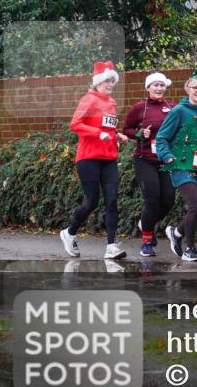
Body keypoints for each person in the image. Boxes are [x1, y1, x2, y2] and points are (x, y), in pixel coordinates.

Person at [60, 61, 129, 260]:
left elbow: (108, 128)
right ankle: (69, 232)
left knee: (112, 200)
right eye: (106, 80)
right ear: (98, 82)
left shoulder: (112, 103)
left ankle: (111, 246)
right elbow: (75, 125)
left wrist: (117, 135)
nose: (110, 84)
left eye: (112, 81)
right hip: (88, 158)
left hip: (108, 158)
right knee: (92, 202)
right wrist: (98, 134)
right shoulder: (89, 99)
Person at [157, 67, 197, 262]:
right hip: (181, 163)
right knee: (195, 205)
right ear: (187, 89)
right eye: (195, 88)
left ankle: (176, 233)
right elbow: (161, 137)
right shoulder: (178, 111)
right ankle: (189, 249)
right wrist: (166, 155)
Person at [122, 72, 176, 257]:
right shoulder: (140, 107)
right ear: (148, 88)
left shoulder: (172, 107)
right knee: (152, 199)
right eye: (155, 85)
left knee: (168, 200)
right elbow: (127, 130)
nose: (159, 88)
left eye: (162, 85)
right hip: (145, 160)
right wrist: (139, 133)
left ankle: (146, 223)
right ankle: (146, 242)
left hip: (166, 160)